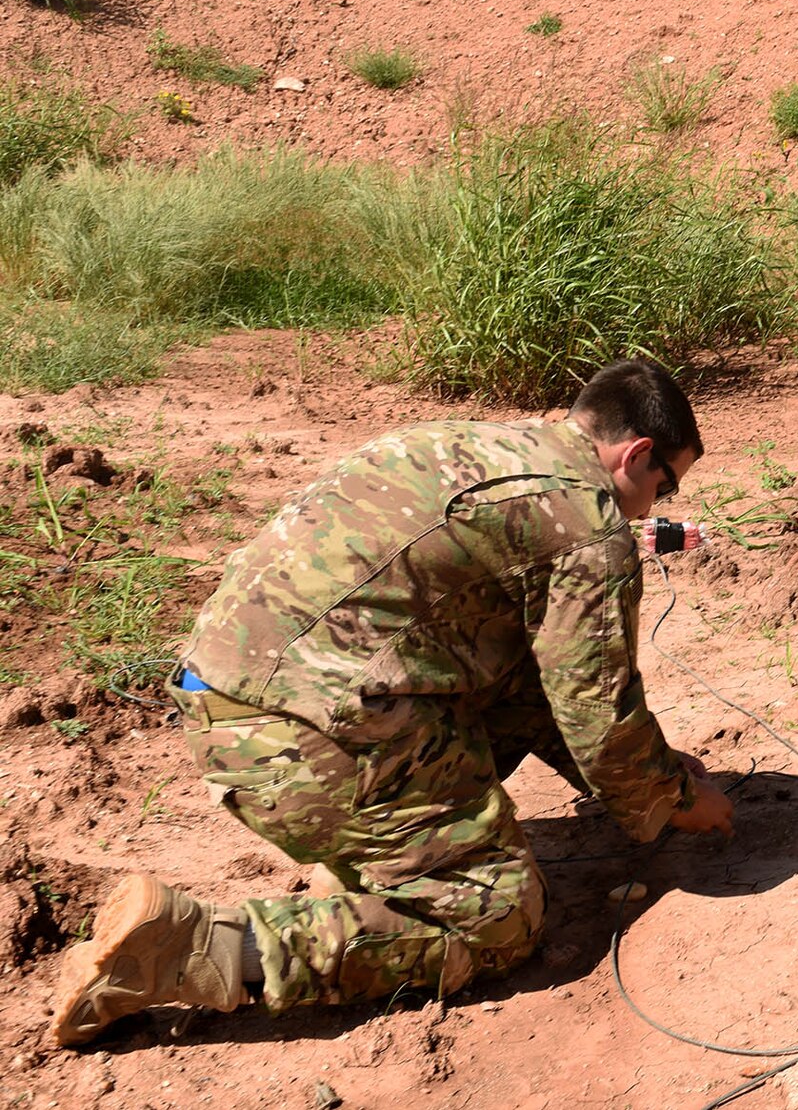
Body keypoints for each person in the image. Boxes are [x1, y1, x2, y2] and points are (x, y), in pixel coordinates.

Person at [50, 357, 734, 1047]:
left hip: (226, 694)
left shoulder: (469, 442)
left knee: (510, 680)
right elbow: (597, 707)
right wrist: (674, 797)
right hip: (296, 735)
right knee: (498, 916)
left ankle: (367, 856)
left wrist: (646, 775)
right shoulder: (589, 523)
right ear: (636, 452)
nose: (654, 509)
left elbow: (545, 688)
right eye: (663, 484)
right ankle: (195, 948)